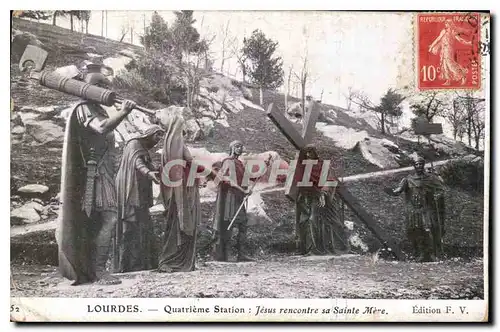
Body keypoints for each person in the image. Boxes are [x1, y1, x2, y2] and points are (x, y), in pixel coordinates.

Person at [57, 66, 137, 285]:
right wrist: (123, 112)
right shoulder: (84, 108)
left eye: (105, 85)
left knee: (101, 220)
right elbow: (101, 129)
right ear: (89, 88)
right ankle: (98, 271)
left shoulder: (97, 109)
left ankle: (95, 269)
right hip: (94, 175)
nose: (104, 90)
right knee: (108, 218)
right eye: (100, 86)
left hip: (104, 172)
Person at [157, 114, 207, 273]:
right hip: (183, 190)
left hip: (173, 190)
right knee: (184, 222)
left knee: (174, 224)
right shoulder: (178, 143)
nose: (185, 128)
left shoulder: (167, 144)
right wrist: (209, 172)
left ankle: (170, 260)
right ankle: (177, 261)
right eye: (183, 124)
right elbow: (191, 163)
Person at [113, 125, 165, 273]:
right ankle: (129, 265)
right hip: (129, 188)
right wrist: (149, 173)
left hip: (139, 190)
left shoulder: (144, 148)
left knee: (143, 224)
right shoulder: (134, 143)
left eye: (161, 136)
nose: (159, 139)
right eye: (157, 135)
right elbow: (137, 163)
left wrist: (157, 169)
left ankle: (143, 262)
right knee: (131, 224)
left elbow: (146, 164)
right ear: (149, 134)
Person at [385, 156, 446, 262]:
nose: (418, 166)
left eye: (420, 164)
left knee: (429, 230)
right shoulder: (408, 179)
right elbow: (398, 190)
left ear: (423, 165)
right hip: (413, 209)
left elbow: (441, 189)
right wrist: (391, 192)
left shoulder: (431, 178)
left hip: (427, 208)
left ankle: (432, 253)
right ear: (414, 166)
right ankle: (420, 253)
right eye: (416, 164)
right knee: (416, 231)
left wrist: (437, 195)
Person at [294, 145, 350, 256]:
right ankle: (312, 248)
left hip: (326, 197)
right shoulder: (301, 167)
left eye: (311, 153)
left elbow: (329, 180)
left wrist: (323, 193)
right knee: (308, 220)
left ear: (315, 154)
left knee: (331, 220)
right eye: (307, 153)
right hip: (309, 197)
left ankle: (337, 247)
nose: (309, 156)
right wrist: (315, 194)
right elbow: (301, 184)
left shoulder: (322, 166)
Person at [212, 140, 256, 262]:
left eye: (241, 146)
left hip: (239, 196)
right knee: (229, 224)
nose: (239, 148)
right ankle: (226, 254)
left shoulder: (239, 163)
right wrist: (243, 190)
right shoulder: (228, 162)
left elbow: (245, 177)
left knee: (243, 224)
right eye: (237, 146)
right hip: (231, 198)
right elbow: (227, 179)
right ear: (231, 148)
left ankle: (241, 254)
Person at [428, 19, 473, 86]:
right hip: (443, 49)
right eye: (445, 24)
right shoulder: (443, 31)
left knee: (450, 64)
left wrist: (468, 43)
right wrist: (432, 46)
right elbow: (438, 39)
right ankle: (448, 80)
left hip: (449, 49)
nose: (446, 25)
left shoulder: (453, 32)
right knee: (444, 64)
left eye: (447, 23)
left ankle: (462, 75)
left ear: (450, 24)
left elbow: (460, 40)